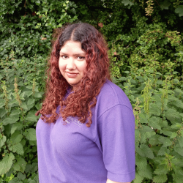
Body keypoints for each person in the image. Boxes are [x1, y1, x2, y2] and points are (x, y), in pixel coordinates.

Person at [36, 22, 135, 183]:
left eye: (80, 57)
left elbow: (119, 179)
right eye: (64, 56)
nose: (70, 66)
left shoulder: (111, 103)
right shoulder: (62, 92)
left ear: (94, 59)